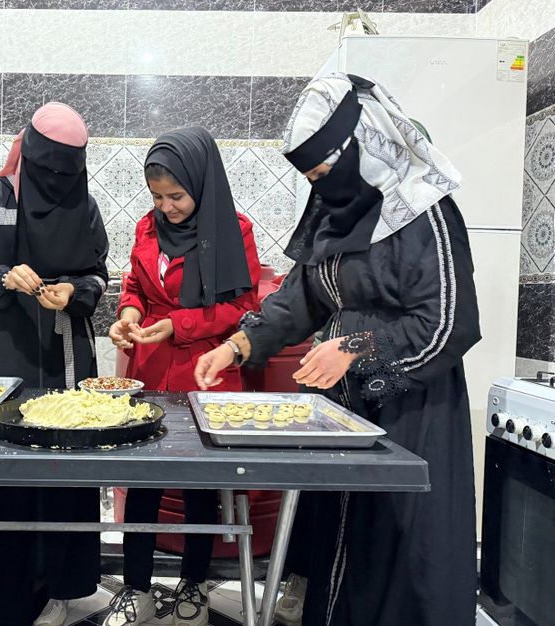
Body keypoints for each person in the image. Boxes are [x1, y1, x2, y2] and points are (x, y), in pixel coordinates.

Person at [195, 73, 480, 626]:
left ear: (358, 149)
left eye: (322, 172)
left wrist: (354, 348)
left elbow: (451, 323)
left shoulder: (426, 213)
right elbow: (302, 296)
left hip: (410, 412)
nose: (317, 185)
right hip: (344, 410)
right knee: (343, 546)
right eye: (309, 176)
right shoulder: (336, 213)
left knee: (395, 551)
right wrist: (238, 345)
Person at [0, 101, 109, 626]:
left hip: (67, 356)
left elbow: (98, 274)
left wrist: (75, 291)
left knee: (65, 466)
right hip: (7, 350)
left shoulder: (85, 207)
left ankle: (61, 587)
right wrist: (2, 278)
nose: (56, 183)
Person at [105, 127, 261, 626]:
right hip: (151, 371)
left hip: (207, 370)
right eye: (157, 197)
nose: (166, 207)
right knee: (143, 480)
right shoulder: (146, 228)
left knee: (199, 485)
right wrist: (128, 315)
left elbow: (243, 306)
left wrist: (180, 323)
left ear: (200, 184)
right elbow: (134, 284)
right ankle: (136, 588)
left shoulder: (234, 230)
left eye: (176, 196)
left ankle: (194, 583)